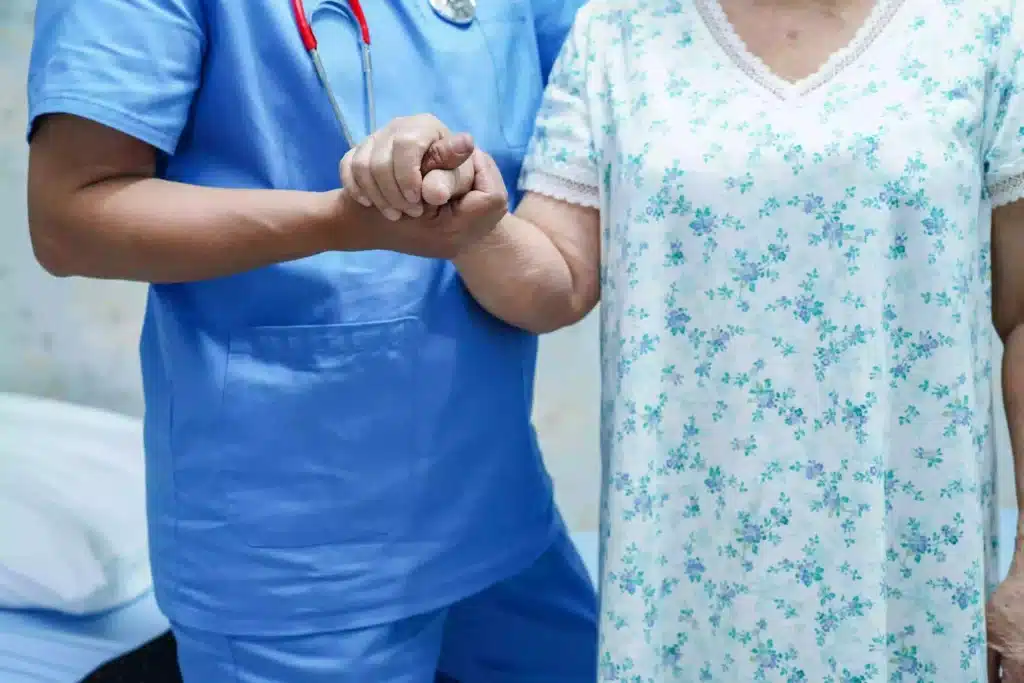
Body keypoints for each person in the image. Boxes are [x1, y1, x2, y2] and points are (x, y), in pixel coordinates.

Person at [342, 0, 1024, 679]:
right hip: (685, 592)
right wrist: (474, 226)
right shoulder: (618, 32)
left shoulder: (987, 30)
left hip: (905, 584)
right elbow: (559, 278)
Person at [24, 0, 599, 681]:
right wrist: (336, 220)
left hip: (500, 516)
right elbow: (70, 218)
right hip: (295, 551)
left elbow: (615, 98)